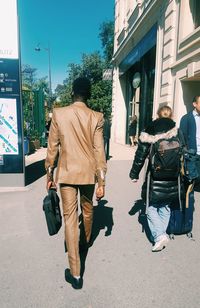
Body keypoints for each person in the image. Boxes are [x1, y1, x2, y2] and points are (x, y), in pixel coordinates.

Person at [45, 77, 107, 289]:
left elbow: (52, 147)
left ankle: (75, 273)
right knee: (88, 211)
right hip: (88, 174)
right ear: (88, 94)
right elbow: (99, 150)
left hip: (67, 173)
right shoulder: (96, 117)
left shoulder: (59, 114)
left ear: (72, 92)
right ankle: (85, 242)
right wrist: (102, 181)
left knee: (70, 219)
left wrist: (49, 174)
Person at [129, 106, 183, 252]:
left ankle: (159, 236)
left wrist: (134, 174)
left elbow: (140, 155)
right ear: (171, 115)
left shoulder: (150, 130)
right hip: (173, 176)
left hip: (155, 176)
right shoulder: (177, 130)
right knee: (165, 206)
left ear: (157, 115)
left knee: (151, 207)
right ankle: (162, 234)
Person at [180, 96, 200, 191]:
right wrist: (186, 151)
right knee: (192, 178)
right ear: (194, 104)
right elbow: (182, 137)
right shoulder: (186, 118)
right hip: (193, 153)